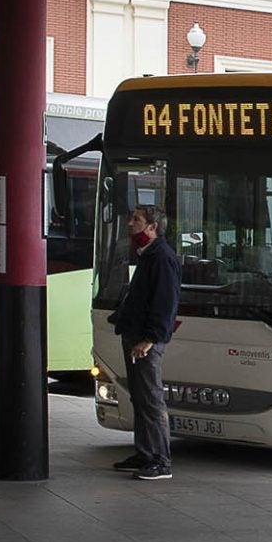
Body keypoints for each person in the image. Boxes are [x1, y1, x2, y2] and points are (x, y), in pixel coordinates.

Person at [108, 205, 180, 480]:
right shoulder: (148, 255)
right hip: (135, 334)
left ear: (152, 227)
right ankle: (145, 453)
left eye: (136, 220)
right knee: (140, 396)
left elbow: (165, 303)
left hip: (145, 340)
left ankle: (161, 460)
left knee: (150, 398)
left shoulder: (161, 258)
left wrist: (150, 338)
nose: (130, 224)